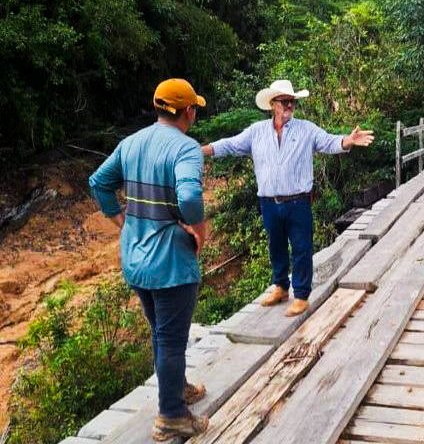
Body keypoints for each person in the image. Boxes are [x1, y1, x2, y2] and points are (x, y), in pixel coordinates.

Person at [89, 79, 209, 441]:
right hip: (169, 262)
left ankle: (177, 388)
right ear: (188, 111)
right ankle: (171, 416)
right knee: (171, 339)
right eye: (194, 109)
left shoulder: (131, 143)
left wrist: (120, 219)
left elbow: (99, 182)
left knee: (161, 332)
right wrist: (198, 228)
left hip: (136, 259)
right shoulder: (186, 149)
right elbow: (189, 197)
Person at [201, 79, 374, 317]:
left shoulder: (306, 129)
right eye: (285, 101)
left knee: (302, 248)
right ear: (273, 104)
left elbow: (329, 142)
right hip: (269, 203)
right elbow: (231, 145)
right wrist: (203, 150)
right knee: (276, 246)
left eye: (292, 101)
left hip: (298, 201)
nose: (290, 106)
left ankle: (301, 295)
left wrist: (348, 140)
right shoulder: (256, 132)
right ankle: (281, 287)